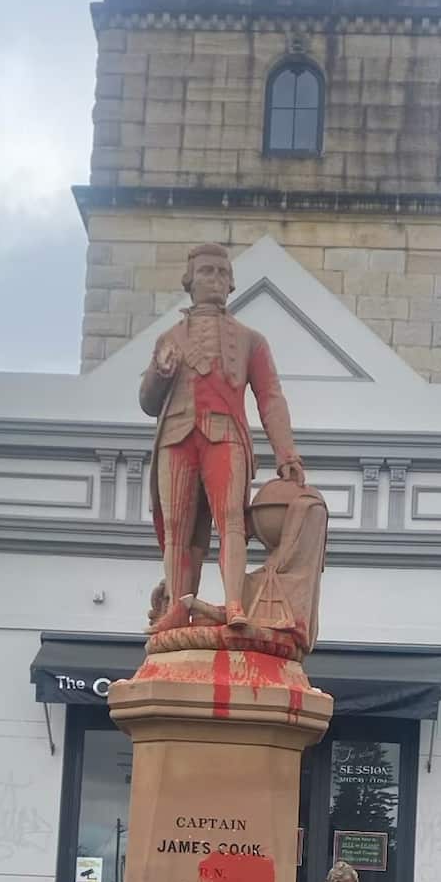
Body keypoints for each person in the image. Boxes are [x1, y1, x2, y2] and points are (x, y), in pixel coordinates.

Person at [139, 242, 305, 632]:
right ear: (189, 280)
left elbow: (270, 397)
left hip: (225, 433)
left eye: (222, 273)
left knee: (231, 520)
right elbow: (148, 402)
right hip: (176, 436)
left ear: (231, 284)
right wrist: (160, 373)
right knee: (177, 527)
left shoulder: (250, 340)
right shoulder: (168, 340)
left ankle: (233, 603)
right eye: (206, 271)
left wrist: (287, 453)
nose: (215, 279)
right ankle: (177, 605)